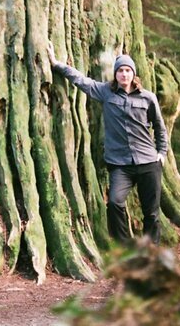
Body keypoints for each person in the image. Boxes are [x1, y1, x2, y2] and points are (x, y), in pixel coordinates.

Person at [46, 43, 168, 244]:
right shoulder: (106, 92)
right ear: (116, 74)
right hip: (120, 164)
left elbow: (159, 127)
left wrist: (161, 152)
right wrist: (56, 64)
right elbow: (81, 80)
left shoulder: (148, 98)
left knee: (151, 212)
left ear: (133, 74)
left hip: (148, 162)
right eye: (120, 70)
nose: (124, 74)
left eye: (128, 70)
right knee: (114, 203)